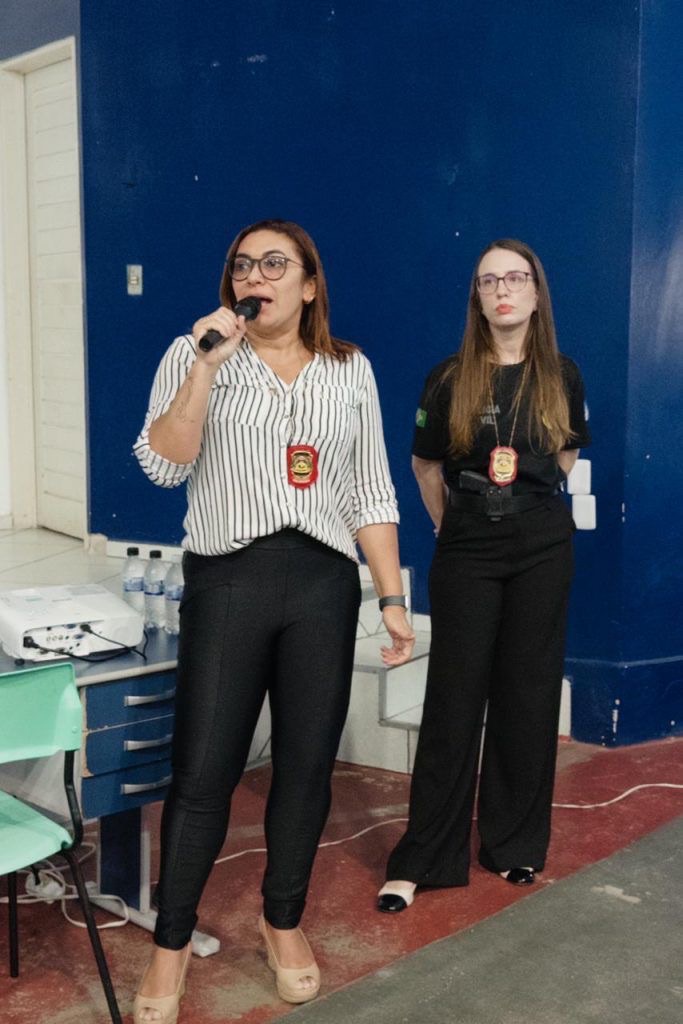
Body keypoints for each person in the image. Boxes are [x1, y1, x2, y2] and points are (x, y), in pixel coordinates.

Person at [132, 219, 415, 1020]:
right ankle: (170, 941)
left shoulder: (348, 369)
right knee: (202, 773)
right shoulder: (195, 354)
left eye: (273, 264)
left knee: (305, 766)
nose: (254, 277)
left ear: (309, 284)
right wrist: (204, 368)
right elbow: (163, 464)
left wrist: (392, 599)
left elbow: (369, 490)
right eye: (242, 266)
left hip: (322, 583)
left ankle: (282, 920)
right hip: (230, 579)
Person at [377, 238, 590, 914]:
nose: (502, 290)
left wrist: (524, 500)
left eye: (515, 278)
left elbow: (562, 456)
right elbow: (425, 468)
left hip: (540, 545)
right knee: (453, 700)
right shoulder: (448, 378)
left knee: (528, 697)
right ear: (476, 296)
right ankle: (424, 859)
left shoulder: (561, 375)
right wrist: (455, 525)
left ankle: (513, 844)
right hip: (467, 543)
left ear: (535, 292)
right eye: (488, 280)